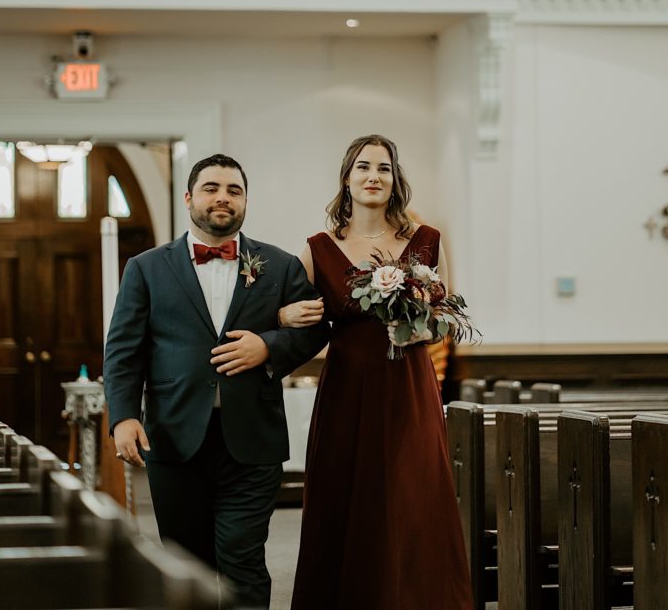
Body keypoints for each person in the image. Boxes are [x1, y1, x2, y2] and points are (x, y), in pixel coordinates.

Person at [103, 154, 329, 610]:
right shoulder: (146, 268)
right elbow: (123, 350)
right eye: (211, 188)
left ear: (246, 201)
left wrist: (267, 345)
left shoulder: (280, 266)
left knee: (243, 562)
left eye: (234, 190)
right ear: (189, 198)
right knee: (186, 565)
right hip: (174, 439)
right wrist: (124, 416)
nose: (222, 197)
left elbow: (314, 329)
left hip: (252, 441)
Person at [280, 134, 474, 610]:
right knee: (346, 500)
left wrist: (419, 319)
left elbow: (443, 319)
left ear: (395, 180)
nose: (373, 176)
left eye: (383, 169)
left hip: (407, 388)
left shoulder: (426, 243)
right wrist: (285, 316)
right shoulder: (317, 248)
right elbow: (286, 313)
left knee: (411, 497)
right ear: (347, 179)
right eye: (363, 167)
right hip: (346, 389)